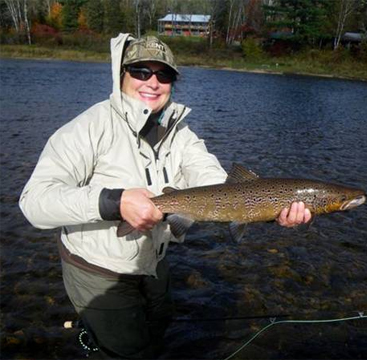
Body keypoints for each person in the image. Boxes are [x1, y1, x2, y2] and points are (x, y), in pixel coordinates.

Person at [19, 33, 311, 359]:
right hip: (98, 270)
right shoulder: (87, 128)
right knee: (128, 351)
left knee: (158, 333)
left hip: (155, 262)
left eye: (164, 74)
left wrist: (269, 208)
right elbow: (34, 202)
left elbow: (212, 179)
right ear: (121, 74)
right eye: (141, 71)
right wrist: (113, 202)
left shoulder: (180, 133)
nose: (153, 82)